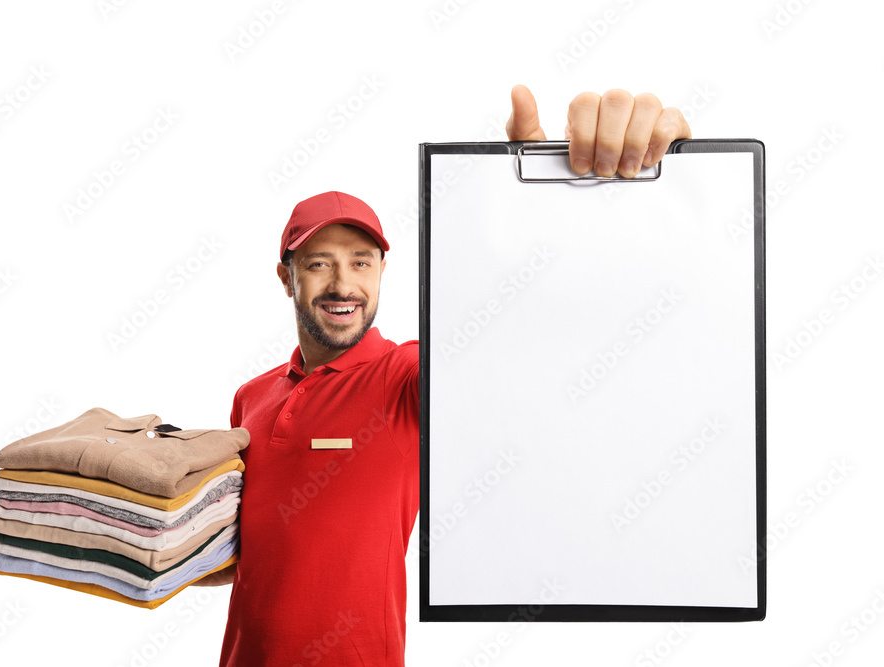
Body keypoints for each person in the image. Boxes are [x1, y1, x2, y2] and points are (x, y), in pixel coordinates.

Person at [198, 86, 692, 666]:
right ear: (287, 279)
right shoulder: (249, 398)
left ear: (383, 270)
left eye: (361, 262)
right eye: (318, 263)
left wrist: (555, 213)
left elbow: (520, 346)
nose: (342, 283)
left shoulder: (406, 376)